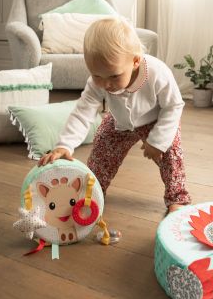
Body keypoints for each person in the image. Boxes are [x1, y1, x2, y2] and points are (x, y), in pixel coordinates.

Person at [39, 16, 191, 213]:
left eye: (114, 76)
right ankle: (93, 191)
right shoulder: (98, 82)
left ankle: (177, 198)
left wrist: (158, 141)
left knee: (171, 155)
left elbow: (173, 106)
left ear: (135, 61)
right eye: (97, 75)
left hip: (157, 119)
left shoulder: (157, 73)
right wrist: (64, 145)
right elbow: (83, 112)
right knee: (102, 148)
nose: (106, 84)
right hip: (120, 120)